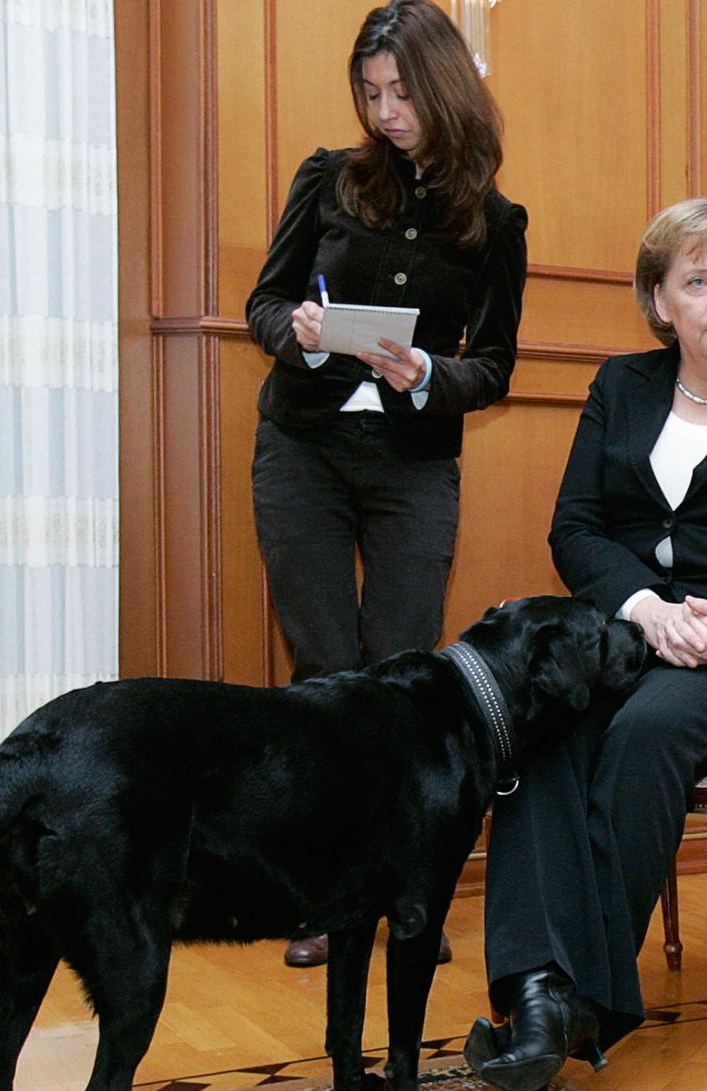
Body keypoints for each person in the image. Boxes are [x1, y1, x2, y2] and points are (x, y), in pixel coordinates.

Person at [464, 198, 707, 1091]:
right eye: (698, 282)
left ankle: (572, 1002)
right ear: (660, 300)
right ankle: (537, 992)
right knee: (542, 723)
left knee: (646, 731)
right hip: (629, 635)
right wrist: (644, 607)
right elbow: (576, 529)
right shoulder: (622, 386)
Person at [246, 0, 528, 967]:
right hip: (305, 453)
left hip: (413, 465)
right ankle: (327, 896)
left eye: (402, 91)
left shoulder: (492, 222)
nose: (387, 110)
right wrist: (301, 331)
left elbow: (492, 365)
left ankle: (406, 893)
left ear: (441, 86)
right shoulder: (328, 178)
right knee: (325, 673)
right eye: (371, 93)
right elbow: (266, 301)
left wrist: (429, 376)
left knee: (405, 678)